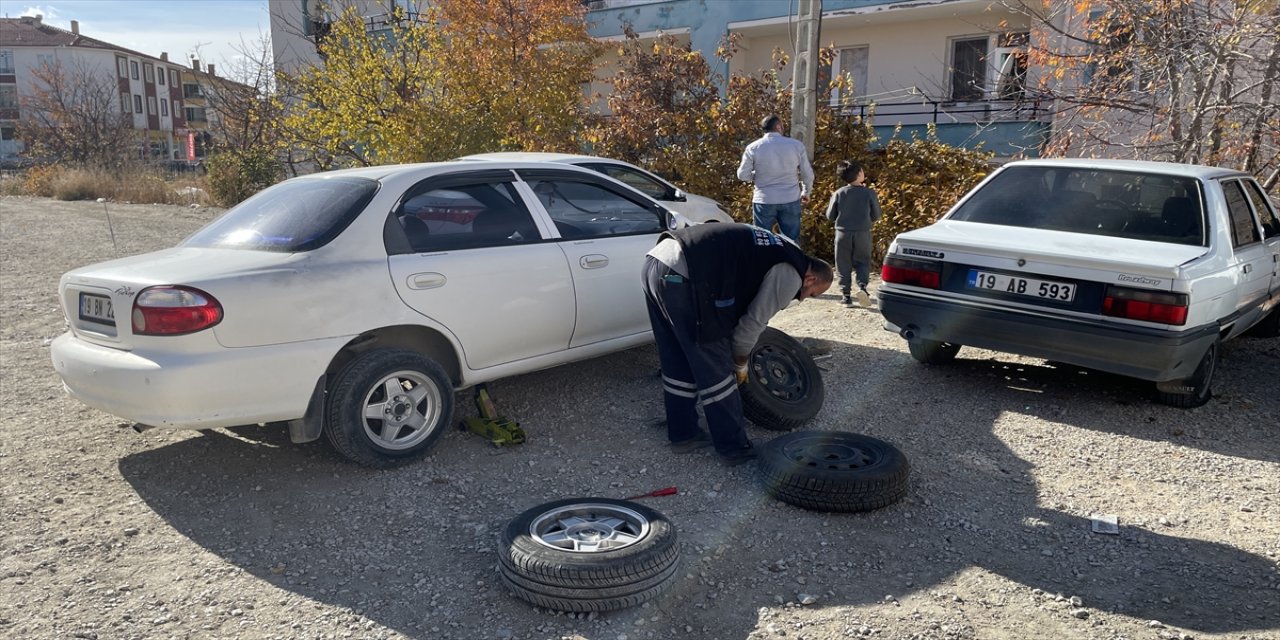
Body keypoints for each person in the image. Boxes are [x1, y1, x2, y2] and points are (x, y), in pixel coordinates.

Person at [641, 223, 834, 465]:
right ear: (811, 278)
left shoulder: (780, 250)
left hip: (655, 263)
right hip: (684, 272)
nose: (805, 299)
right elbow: (752, 324)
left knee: (677, 358)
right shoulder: (790, 274)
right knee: (717, 366)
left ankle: (684, 434)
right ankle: (733, 448)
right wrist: (740, 362)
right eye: (813, 294)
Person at [736, 115, 815, 243]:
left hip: (764, 199)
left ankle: (765, 263)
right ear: (778, 127)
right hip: (790, 198)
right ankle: (792, 262)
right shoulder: (796, 145)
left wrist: (757, 175)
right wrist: (806, 192)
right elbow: (807, 174)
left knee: (762, 240)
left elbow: (742, 175)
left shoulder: (753, 147)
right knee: (792, 240)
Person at [824, 160, 881, 308]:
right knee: (863, 261)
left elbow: (830, 215)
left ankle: (846, 296)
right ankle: (862, 288)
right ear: (858, 175)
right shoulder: (869, 193)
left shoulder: (839, 193)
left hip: (842, 233)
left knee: (843, 263)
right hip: (862, 233)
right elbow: (876, 215)